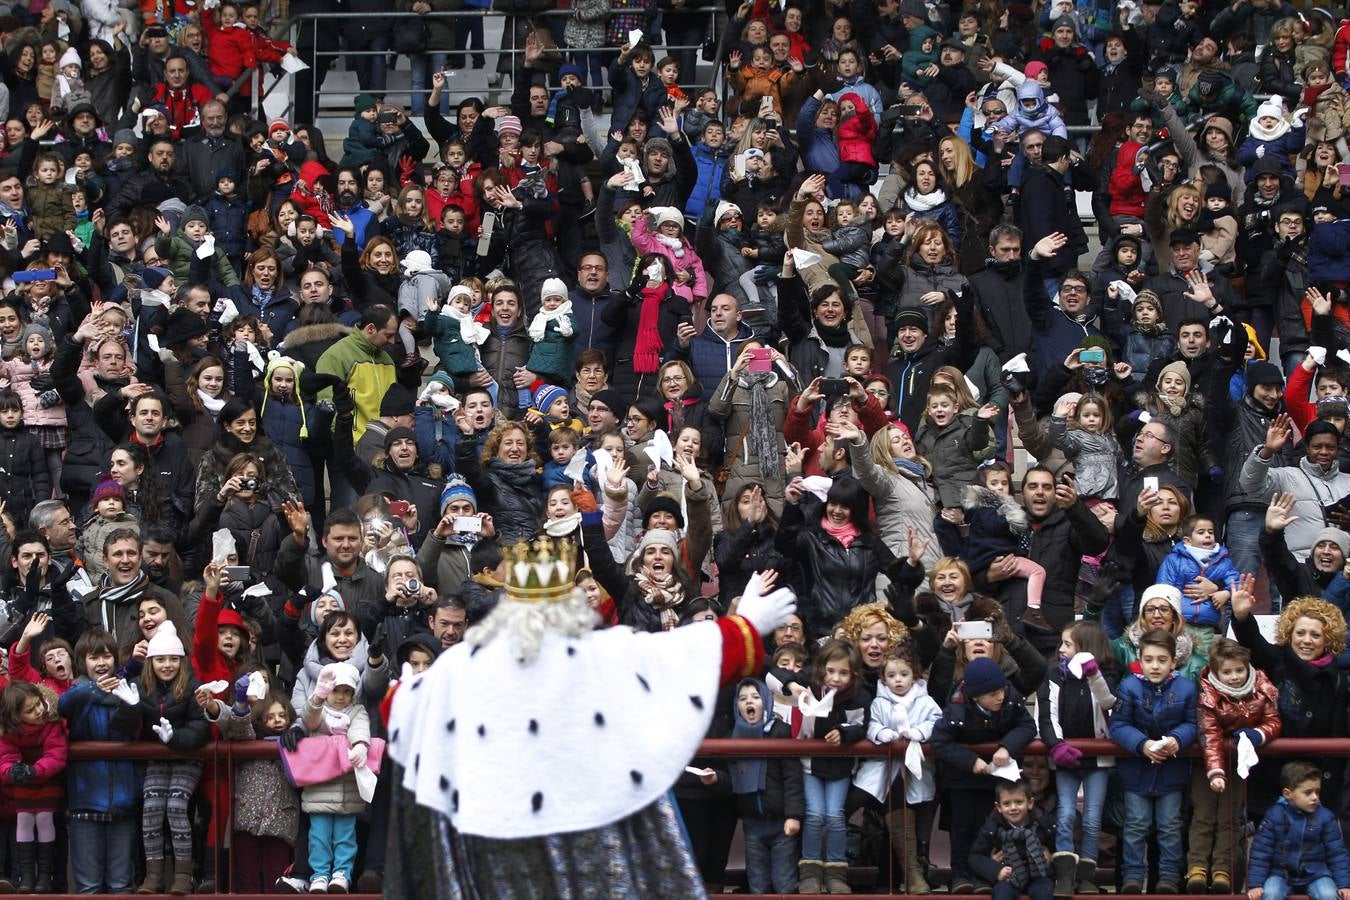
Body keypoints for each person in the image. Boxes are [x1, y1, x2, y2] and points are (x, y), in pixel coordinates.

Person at [384, 547, 797, 898]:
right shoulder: (601, 655)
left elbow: (401, 709)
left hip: (507, 832)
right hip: (583, 830)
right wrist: (746, 626)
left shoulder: (463, 666)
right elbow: (682, 657)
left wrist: (401, 695)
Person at [930, 656, 1038, 894]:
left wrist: (1007, 746)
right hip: (961, 779)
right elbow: (939, 741)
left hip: (996, 779)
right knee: (961, 828)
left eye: (1001, 690)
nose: (1000, 696)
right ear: (976, 696)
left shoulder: (1010, 699)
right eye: (993, 694)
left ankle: (984, 875)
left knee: (987, 827)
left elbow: (1028, 726)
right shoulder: (957, 706)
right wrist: (971, 761)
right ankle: (960, 874)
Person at [1109, 627, 1198, 895]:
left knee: (1170, 826)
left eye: (1162, 660)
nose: (1155, 666)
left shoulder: (1185, 687)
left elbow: (1193, 723)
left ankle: (1169, 876)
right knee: (1136, 825)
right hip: (1137, 771)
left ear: (1173, 661)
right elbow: (1118, 724)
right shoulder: (1129, 686)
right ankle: (1133, 876)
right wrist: (1142, 744)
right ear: (1140, 659)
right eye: (1149, 660)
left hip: (1172, 771)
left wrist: (1178, 739)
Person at [1189, 637, 1281, 894]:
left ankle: (1222, 869)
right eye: (1227, 672)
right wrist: (1215, 771)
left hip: (1241, 763)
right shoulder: (1208, 694)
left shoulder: (1262, 685)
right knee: (1204, 816)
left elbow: (1273, 719)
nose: (1234, 677)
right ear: (1216, 672)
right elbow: (1209, 733)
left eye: (1239, 670)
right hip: (1207, 765)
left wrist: (1258, 734)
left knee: (1230, 818)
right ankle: (1197, 867)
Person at [1037, 621, 1119, 895]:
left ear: (1086, 647)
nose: (1061, 649)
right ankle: (1064, 875)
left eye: (1068, 644)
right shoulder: (1054, 674)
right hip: (1065, 755)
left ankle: (1087, 876)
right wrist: (1056, 746)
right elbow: (1047, 714)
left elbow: (1109, 704)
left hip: (1098, 756)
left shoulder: (1107, 672)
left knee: (1093, 817)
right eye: (1061, 643)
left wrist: (1094, 676)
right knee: (1066, 812)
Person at [795, 639, 870, 895]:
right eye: (831, 671)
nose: (836, 678)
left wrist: (843, 733)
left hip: (840, 768)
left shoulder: (859, 697)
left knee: (835, 816)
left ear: (853, 674)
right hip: (810, 766)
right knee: (815, 815)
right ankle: (810, 873)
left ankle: (837, 872)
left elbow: (861, 726)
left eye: (843, 672)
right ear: (821, 670)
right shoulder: (810, 691)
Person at [728, 678, 803, 895]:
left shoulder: (780, 731)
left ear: (767, 702)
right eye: (742, 699)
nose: (749, 702)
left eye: (755, 697)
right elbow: (728, 777)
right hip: (752, 823)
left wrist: (794, 816)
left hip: (781, 823)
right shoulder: (733, 736)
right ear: (737, 706)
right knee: (757, 883)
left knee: (784, 882)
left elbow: (792, 778)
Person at [0, 681, 67, 893]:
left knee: (44, 818)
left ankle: (45, 875)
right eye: (30, 710)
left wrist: (35, 771)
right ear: (16, 717)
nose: (39, 711)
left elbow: (56, 755)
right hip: (23, 782)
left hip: (46, 779)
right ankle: (27, 875)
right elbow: (4, 757)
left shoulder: (52, 722)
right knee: (24, 819)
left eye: (38, 704)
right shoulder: (9, 731)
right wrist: (12, 771)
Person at [968, 780, 1056, 900]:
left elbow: (1057, 848)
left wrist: (1051, 857)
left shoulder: (1042, 824)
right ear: (999, 807)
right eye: (1007, 803)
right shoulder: (992, 828)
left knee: (1045, 892)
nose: (1013, 808)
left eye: (1019, 802)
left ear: (1030, 803)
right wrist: (996, 870)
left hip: (1038, 877)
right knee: (1002, 893)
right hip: (1009, 878)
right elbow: (975, 856)